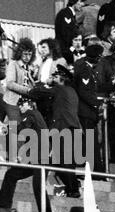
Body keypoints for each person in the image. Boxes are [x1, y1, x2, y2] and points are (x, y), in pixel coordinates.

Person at [0, 98, 55, 212]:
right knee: (11, 175)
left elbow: (21, 129)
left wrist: (5, 128)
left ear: (29, 105)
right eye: (19, 105)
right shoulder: (32, 116)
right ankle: (2, 207)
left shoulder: (32, 114)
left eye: (22, 104)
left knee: (38, 187)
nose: (20, 107)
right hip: (34, 158)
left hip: (42, 158)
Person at [29, 64, 82, 198]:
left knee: (65, 162)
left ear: (62, 79)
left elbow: (37, 93)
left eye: (55, 76)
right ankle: (73, 187)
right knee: (63, 161)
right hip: (73, 128)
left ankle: (73, 190)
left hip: (64, 128)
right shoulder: (72, 91)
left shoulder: (59, 89)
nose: (53, 78)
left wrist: (40, 83)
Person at [74, 44, 106, 174]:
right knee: (90, 143)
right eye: (99, 57)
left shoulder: (88, 69)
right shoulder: (85, 70)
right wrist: (97, 104)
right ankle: (96, 171)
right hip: (85, 112)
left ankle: (97, 170)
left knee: (91, 142)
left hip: (88, 112)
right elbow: (84, 92)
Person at [3, 38, 37, 124]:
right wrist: (27, 90)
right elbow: (10, 84)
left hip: (24, 104)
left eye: (30, 54)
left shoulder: (28, 67)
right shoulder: (13, 64)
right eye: (25, 54)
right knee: (14, 128)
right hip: (13, 102)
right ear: (19, 53)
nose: (27, 57)